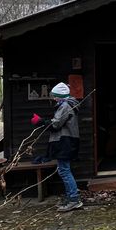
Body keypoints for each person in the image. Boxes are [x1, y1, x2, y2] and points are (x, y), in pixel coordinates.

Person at [32, 82, 82, 212]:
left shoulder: (65, 106)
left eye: (55, 96)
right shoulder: (68, 104)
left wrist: (40, 121)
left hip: (65, 141)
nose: (54, 98)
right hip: (68, 141)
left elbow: (55, 125)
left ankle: (74, 199)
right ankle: (72, 196)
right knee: (64, 170)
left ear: (61, 96)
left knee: (64, 171)